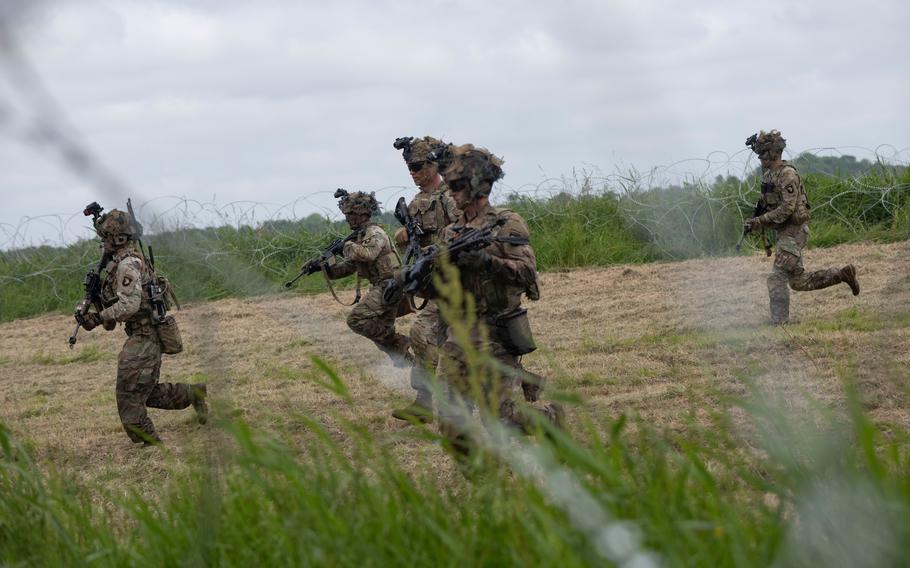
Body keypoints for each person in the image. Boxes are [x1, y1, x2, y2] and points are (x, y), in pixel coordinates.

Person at [431, 144, 563, 463]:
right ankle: (489, 485)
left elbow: (527, 272)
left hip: (495, 336)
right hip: (457, 337)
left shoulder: (505, 223)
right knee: (449, 424)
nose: (452, 192)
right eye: (449, 185)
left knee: (502, 420)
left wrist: (486, 262)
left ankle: (551, 419)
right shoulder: (451, 231)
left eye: (458, 185)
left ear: (479, 186)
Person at [76, 209, 207, 445]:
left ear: (119, 239)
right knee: (144, 392)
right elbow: (113, 319)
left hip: (147, 334)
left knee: (128, 394)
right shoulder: (116, 265)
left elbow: (129, 305)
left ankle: (150, 442)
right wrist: (94, 307)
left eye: (106, 237)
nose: (102, 243)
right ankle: (192, 394)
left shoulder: (127, 265)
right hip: (141, 333)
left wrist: (98, 317)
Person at [744, 130, 860, 324]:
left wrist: (760, 221)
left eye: (762, 152)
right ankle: (842, 274)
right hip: (784, 232)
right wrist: (756, 221)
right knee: (799, 282)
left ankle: (779, 323)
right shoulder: (769, 175)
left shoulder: (787, 175)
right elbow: (767, 204)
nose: (759, 157)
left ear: (774, 153)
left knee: (777, 277)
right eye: (758, 152)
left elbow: (787, 210)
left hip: (794, 231)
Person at [390, 136, 461, 423]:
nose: (413, 172)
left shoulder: (451, 196)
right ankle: (424, 402)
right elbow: (416, 248)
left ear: (433, 165)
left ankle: (524, 384)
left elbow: (465, 229)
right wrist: (405, 239)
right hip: (436, 285)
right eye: (409, 167)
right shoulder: (418, 202)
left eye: (418, 166)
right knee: (421, 335)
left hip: (460, 282)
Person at [323, 190, 413, 365]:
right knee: (381, 335)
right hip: (383, 287)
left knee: (357, 319)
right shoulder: (360, 237)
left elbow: (368, 254)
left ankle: (401, 342)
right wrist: (325, 267)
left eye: (350, 214)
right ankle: (417, 367)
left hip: (389, 286)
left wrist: (345, 247)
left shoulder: (374, 232)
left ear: (361, 214)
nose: (347, 218)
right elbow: (347, 268)